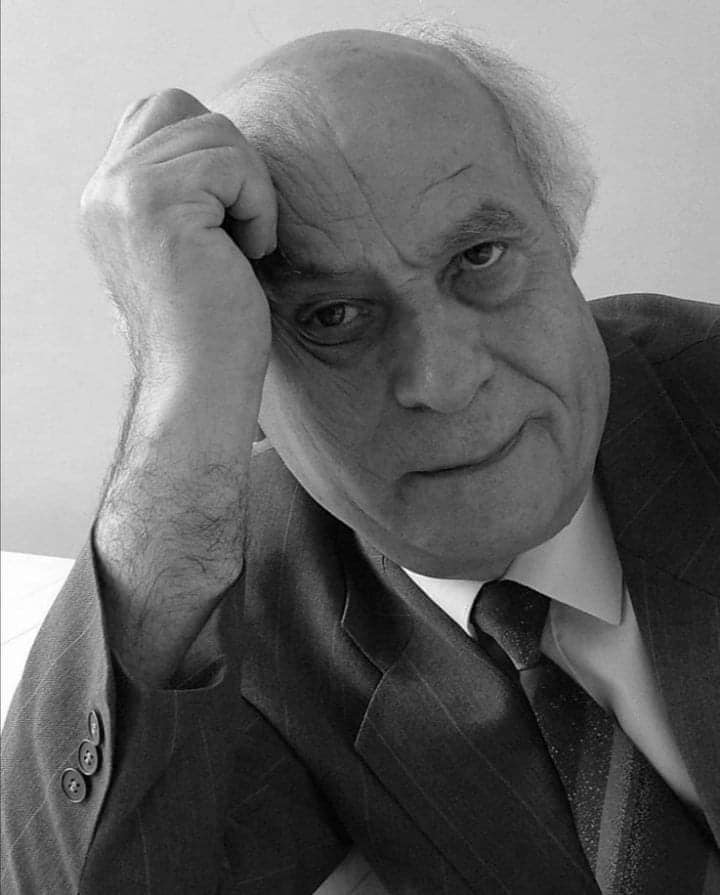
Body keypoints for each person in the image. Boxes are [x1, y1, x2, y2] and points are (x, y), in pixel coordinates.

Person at [1, 20, 718, 895]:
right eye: (332, 316)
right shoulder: (230, 610)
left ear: (561, 236)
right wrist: (178, 387)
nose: (442, 379)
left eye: (479, 257)